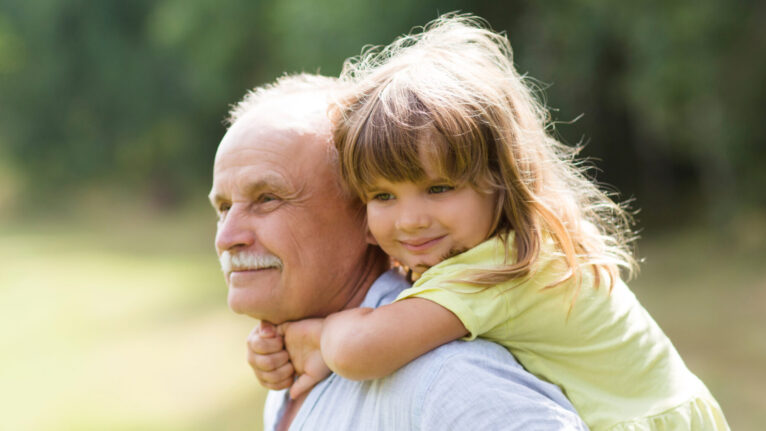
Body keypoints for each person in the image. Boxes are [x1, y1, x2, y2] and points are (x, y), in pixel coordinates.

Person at [252, 15, 730, 431]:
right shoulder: (508, 246)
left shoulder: (496, 270)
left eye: (439, 188)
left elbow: (362, 351)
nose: (411, 220)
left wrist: (317, 335)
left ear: (502, 179)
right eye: (382, 196)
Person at [210, 74, 588, 429]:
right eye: (224, 207)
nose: (227, 237)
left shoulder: (447, 376)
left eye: (267, 198)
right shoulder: (295, 365)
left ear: (367, 214)